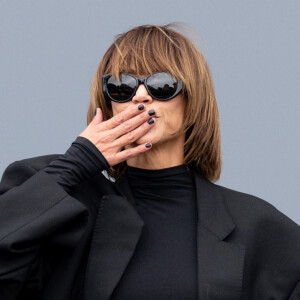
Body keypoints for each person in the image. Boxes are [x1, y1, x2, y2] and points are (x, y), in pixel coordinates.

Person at [0, 23, 299, 300]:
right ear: (108, 103)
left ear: (193, 100)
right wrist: (77, 162)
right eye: (122, 85)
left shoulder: (258, 227)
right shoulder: (71, 210)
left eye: (162, 85)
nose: (140, 95)